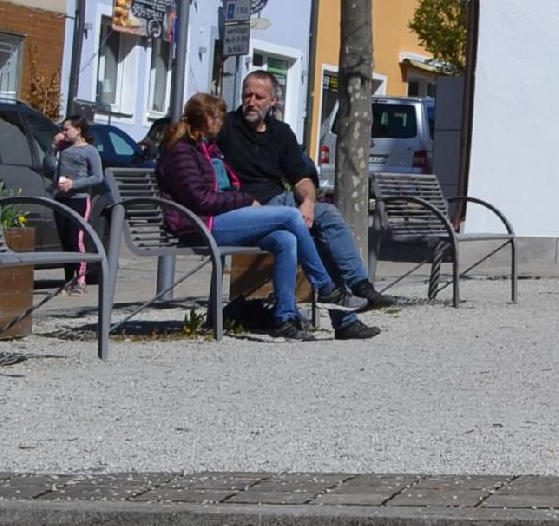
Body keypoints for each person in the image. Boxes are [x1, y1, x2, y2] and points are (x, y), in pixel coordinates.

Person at [152, 92, 370, 340]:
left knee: (285, 240)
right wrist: (244, 200)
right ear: (206, 119)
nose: (222, 122)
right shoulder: (183, 151)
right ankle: (326, 287)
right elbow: (199, 199)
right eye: (218, 117)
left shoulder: (206, 148)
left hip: (218, 218)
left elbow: (219, 190)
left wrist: (240, 200)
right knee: (290, 216)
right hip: (199, 225)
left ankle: (285, 319)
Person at [219, 70, 392, 322]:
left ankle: (345, 318)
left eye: (259, 96)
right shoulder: (227, 127)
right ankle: (359, 291)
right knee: (328, 215)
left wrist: (309, 202)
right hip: (245, 209)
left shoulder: (281, 133)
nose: (252, 102)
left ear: (272, 101)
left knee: (318, 228)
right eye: (248, 95)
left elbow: (301, 179)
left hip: (277, 205)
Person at [49, 115, 106, 291]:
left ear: (78, 130)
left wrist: (74, 184)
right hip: (61, 198)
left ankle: (80, 280)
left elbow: (98, 177)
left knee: (77, 239)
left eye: (67, 129)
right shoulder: (63, 148)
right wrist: (53, 149)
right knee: (65, 240)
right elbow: (48, 167)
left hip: (79, 199)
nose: (63, 132)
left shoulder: (89, 151)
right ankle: (67, 280)